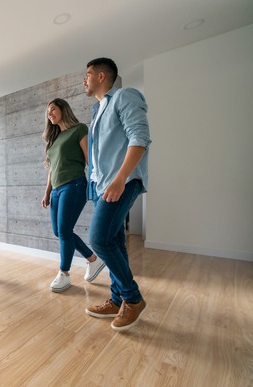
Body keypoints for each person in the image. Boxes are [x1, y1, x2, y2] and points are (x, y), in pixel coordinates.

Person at [83, 57, 152, 331]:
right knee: (115, 243)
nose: (84, 81)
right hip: (103, 186)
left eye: (87, 75)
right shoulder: (97, 110)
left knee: (98, 240)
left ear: (101, 76)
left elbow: (139, 137)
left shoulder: (124, 96)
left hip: (122, 182)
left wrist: (120, 178)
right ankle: (116, 299)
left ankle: (133, 299)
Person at [41, 98, 105, 292]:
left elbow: (89, 160)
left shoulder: (79, 129)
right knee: (60, 232)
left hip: (74, 185)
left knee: (64, 230)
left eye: (53, 109)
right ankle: (93, 259)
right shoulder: (53, 140)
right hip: (57, 190)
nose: (49, 113)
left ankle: (64, 274)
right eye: (48, 112)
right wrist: (47, 193)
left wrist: (97, 185)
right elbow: (52, 169)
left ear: (63, 109)